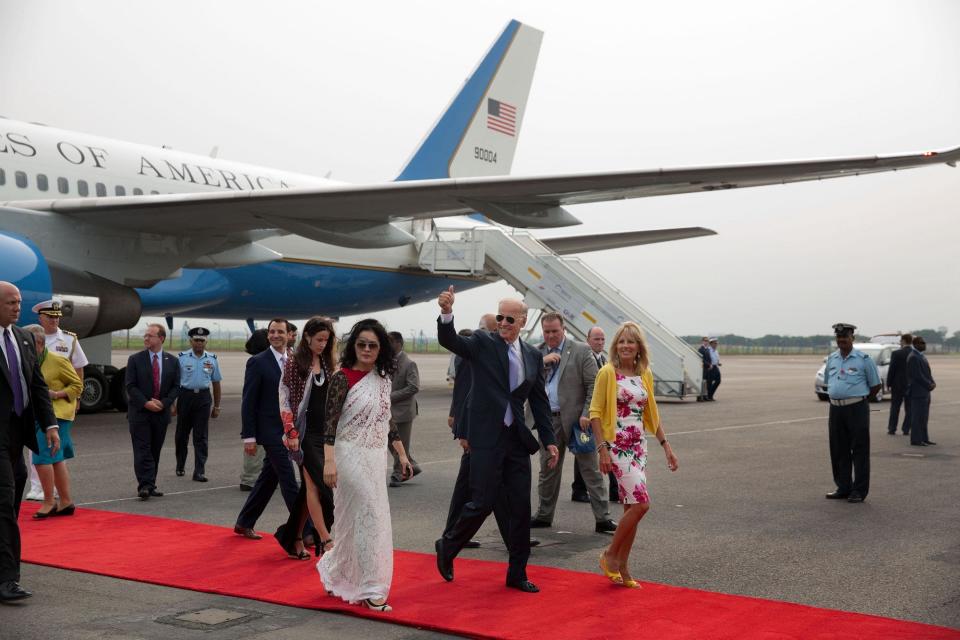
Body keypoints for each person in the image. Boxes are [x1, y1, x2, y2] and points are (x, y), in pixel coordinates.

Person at [434, 287, 559, 594]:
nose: (503, 323)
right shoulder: (482, 343)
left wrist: (549, 440)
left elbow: (539, 402)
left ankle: (517, 572)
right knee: (481, 502)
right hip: (486, 436)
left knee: (519, 507)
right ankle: (448, 546)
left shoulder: (532, 355)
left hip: (516, 438)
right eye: (500, 317)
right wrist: (447, 313)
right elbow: (450, 340)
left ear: (523, 321)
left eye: (509, 319)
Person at [319, 318, 413, 612]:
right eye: (362, 344)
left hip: (375, 458)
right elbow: (329, 425)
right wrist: (329, 462)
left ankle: (338, 572)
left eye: (373, 345)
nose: (367, 349)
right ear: (354, 347)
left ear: (380, 348)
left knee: (355, 519)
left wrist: (401, 454)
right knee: (369, 515)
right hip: (348, 455)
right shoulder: (342, 378)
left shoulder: (383, 379)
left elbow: (388, 421)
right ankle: (372, 587)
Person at [590, 321, 678, 588]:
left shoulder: (644, 374)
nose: (626, 346)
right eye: (621, 341)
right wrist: (602, 449)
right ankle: (609, 556)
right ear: (615, 345)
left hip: (639, 445)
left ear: (639, 347)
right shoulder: (607, 373)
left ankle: (624, 568)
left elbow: (651, 414)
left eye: (631, 341)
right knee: (642, 504)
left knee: (632, 508)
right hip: (617, 446)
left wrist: (666, 446)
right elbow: (595, 413)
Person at [530, 314, 616, 535]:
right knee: (548, 470)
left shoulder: (580, 350)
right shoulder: (536, 352)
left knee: (590, 469)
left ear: (563, 329)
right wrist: (542, 362)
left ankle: (603, 518)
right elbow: (523, 379)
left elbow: (593, 386)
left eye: (554, 331)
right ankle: (544, 514)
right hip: (548, 421)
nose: (550, 336)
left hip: (579, 423)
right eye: (546, 331)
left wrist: (587, 413)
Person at [0, 281, 59, 601]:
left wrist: (49, 425)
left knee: (12, 497)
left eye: (19, 302)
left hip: (17, 435)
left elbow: (37, 386)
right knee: (4, 499)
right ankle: (8, 578)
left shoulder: (24, 338)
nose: (17, 307)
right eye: (10, 302)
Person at [444, 327, 515, 550]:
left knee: (488, 489)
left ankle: (453, 536)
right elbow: (465, 391)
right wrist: (464, 431)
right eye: (494, 326)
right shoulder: (474, 353)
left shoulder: (496, 353)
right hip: (476, 434)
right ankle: (451, 537)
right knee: (480, 490)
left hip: (489, 434)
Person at [275, 316, 337, 560]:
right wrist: (290, 431)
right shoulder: (294, 363)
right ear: (307, 337)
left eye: (326, 340)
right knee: (318, 486)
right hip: (304, 435)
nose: (323, 344)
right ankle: (325, 538)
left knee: (309, 490)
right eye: (319, 339)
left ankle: (293, 536)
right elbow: (284, 396)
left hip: (326, 435)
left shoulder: (328, 361)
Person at [235, 318, 299, 539]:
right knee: (289, 481)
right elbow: (248, 402)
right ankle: (306, 531)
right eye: (272, 332)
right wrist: (249, 437)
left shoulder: (294, 359)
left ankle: (244, 522)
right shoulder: (258, 362)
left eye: (280, 332)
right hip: (270, 431)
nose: (275, 335)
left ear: (289, 334)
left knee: (268, 479)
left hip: (289, 428)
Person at [27, 298, 87, 501]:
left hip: (59, 403)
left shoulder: (69, 340)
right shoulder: (28, 336)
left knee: (54, 447)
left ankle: (53, 490)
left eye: (57, 317)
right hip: (35, 400)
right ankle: (37, 487)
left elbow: (78, 368)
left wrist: (76, 397)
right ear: (40, 318)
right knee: (34, 444)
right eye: (50, 317)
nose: (54, 321)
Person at [22, 325, 82, 519]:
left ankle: (49, 501)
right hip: (37, 414)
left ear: (39, 343)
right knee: (56, 458)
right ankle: (65, 502)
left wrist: (56, 394)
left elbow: (77, 385)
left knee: (40, 457)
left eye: (26, 343)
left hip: (58, 415)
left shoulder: (57, 361)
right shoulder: (28, 360)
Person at [823, 323, 880, 504]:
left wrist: (861, 402)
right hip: (836, 409)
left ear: (852, 339)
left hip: (856, 409)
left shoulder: (864, 359)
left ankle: (859, 490)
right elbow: (828, 382)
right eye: (839, 338)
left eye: (845, 338)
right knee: (839, 450)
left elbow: (875, 385)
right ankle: (843, 487)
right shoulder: (832, 359)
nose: (841, 341)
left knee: (860, 450)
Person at [125, 323, 180, 500]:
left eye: (150, 335)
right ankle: (145, 485)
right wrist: (146, 403)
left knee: (155, 449)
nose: (146, 338)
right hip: (140, 413)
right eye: (145, 335)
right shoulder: (135, 359)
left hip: (160, 413)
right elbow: (131, 386)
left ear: (161, 338)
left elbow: (176, 387)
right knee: (143, 450)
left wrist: (164, 403)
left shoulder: (172, 361)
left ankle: (150, 483)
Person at [572, 325, 617, 504]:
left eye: (602, 339)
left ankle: (614, 489)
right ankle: (579, 489)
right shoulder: (583, 358)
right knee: (585, 451)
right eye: (596, 339)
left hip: (602, 416)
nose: (599, 342)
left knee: (606, 449)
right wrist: (584, 412)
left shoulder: (605, 361)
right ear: (587, 340)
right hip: (586, 414)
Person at [173, 327, 222, 482]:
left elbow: (216, 383)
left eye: (202, 340)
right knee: (182, 435)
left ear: (206, 341)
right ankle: (180, 465)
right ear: (191, 341)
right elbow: (174, 383)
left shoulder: (212, 359)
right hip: (185, 397)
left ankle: (199, 471)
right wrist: (172, 404)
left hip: (203, 398)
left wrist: (217, 406)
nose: (199, 343)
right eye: (196, 340)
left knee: (201, 437)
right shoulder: (181, 358)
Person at [388, 331, 421, 487]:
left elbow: (413, 387)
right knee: (391, 442)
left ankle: (398, 474)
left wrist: (390, 396)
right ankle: (411, 464)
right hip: (389, 411)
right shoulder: (387, 361)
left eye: (389, 342)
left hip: (403, 412)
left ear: (398, 343)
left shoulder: (409, 363)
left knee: (402, 443)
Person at [240, 328, 270, 491]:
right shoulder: (257, 362)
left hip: (261, 412)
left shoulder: (260, 361)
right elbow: (250, 395)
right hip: (258, 412)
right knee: (255, 446)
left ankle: (255, 477)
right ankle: (250, 479)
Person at [906, 335, 936, 447]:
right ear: (915, 344)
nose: (924, 345)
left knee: (924, 417)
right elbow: (917, 376)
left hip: (924, 391)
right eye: (922, 343)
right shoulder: (913, 357)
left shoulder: (921, 356)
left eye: (924, 343)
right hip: (918, 392)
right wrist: (929, 385)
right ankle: (916, 440)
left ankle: (924, 438)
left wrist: (932, 382)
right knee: (917, 417)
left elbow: (927, 373)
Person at [886, 333, 913, 435]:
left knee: (895, 407)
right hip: (910, 385)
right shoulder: (914, 353)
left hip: (897, 384)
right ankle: (906, 429)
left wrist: (888, 383)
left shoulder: (896, 354)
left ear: (904, 341)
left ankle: (892, 428)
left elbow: (892, 369)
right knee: (909, 408)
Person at [697, 336, 711, 401]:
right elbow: (702, 359)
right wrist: (708, 364)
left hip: (707, 368)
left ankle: (705, 395)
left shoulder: (707, 349)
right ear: (702, 341)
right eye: (705, 341)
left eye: (707, 341)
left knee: (706, 382)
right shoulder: (700, 349)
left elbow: (709, 358)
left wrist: (710, 364)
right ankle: (699, 397)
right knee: (702, 382)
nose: (706, 342)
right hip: (703, 368)